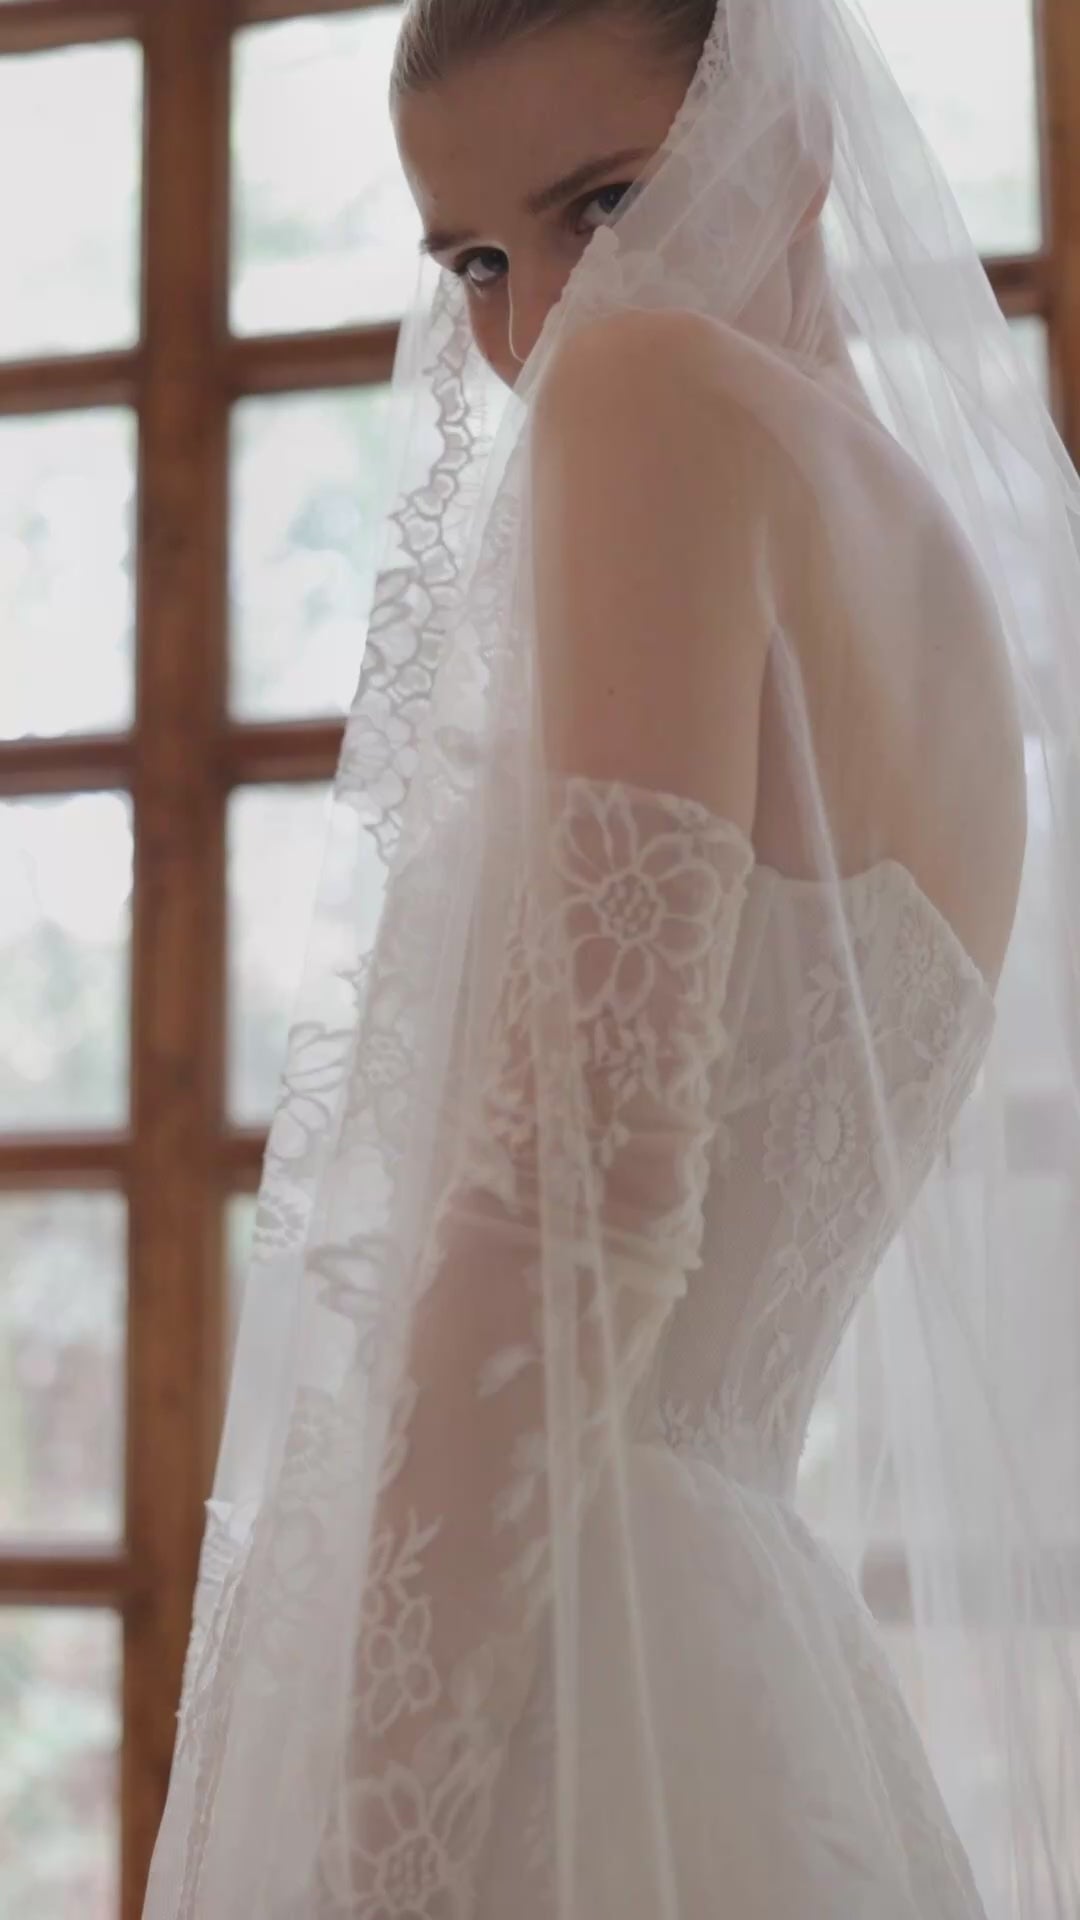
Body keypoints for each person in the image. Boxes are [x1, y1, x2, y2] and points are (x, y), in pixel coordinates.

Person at [143, 1, 1080, 1915]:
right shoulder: (948, 597)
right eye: (479, 262)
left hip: (564, 1671)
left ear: (791, 145)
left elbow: (578, 1201)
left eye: (606, 204)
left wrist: (372, 1840)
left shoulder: (647, 401)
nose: (547, 322)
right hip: (748, 1663)